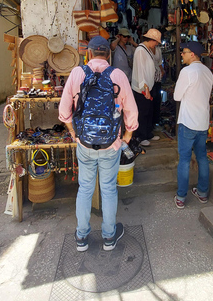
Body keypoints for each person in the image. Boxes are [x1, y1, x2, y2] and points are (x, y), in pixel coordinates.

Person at [58, 36, 139, 251]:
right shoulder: (118, 75)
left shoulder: (77, 73)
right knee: (109, 189)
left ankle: (82, 238)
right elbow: (132, 111)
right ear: (108, 55)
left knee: (84, 189)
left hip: (84, 144)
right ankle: (109, 238)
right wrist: (126, 137)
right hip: (110, 144)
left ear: (89, 54)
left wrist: (74, 133)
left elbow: (64, 111)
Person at [173, 41, 213, 209]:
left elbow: (176, 96)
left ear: (193, 54)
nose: (182, 54)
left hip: (188, 122)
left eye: (184, 51)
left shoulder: (187, 71)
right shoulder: (208, 72)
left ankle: (181, 197)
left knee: (184, 159)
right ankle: (202, 193)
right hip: (202, 122)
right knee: (202, 157)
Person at [131, 28, 162, 147]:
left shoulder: (147, 49)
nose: (157, 44)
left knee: (148, 111)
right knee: (142, 112)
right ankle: (141, 136)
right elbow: (141, 70)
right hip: (142, 88)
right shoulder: (140, 50)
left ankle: (147, 133)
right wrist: (145, 88)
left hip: (148, 86)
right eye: (156, 42)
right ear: (152, 40)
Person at [151, 44, 165, 128]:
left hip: (157, 77)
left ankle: (155, 121)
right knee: (151, 100)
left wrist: (162, 70)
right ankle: (151, 122)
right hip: (150, 78)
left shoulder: (158, 50)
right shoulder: (145, 49)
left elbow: (159, 63)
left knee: (157, 99)